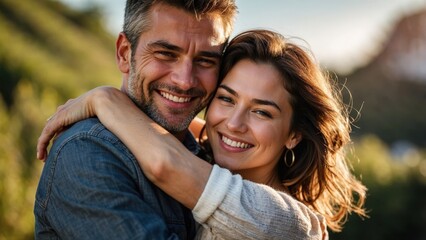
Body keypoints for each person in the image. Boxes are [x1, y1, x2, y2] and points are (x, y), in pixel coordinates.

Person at [37, 30, 367, 239]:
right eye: (226, 98)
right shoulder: (211, 156)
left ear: (294, 135)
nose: (233, 123)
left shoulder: (288, 223)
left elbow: (166, 163)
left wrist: (105, 99)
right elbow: (206, 129)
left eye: (261, 111)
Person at [34, 0, 237, 239]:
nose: (185, 81)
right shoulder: (85, 153)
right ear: (124, 53)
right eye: (166, 54)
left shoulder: (210, 154)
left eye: (205, 61)